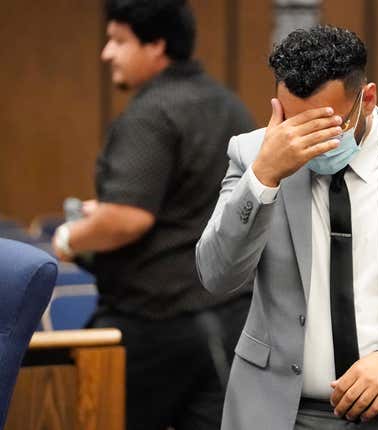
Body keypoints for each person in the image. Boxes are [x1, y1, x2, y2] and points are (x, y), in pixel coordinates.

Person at [196, 25, 378, 430]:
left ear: (367, 100)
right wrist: (264, 176)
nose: (308, 143)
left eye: (325, 126)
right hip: (286, 412)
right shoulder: (252, 155)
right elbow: (216, 274)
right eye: (293, 124)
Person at [51, 1, 255, 429]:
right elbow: (191, 202)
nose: (107, 53)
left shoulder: (151, 113)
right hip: (231, 317)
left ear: (157, 45)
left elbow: (128, 219)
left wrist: (70, 237)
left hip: (154, 324)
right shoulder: (228, 105)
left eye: (119, 41)